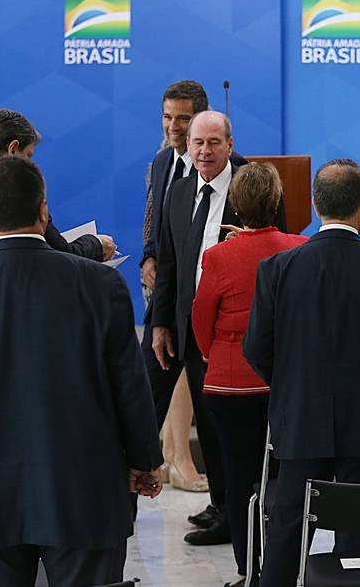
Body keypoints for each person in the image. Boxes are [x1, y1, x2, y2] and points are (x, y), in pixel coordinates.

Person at [0, 156, 163, 585]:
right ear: (44, 210)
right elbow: (129, 385)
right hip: (84, 493)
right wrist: (144, 460)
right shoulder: (101, 285)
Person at [244, 158, 360, 585]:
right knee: (358, 538)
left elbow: (256, 346)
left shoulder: (277, 269)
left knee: (288, 530)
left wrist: (292, 386)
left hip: (300, 421)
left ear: (315, 205)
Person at [151, 111, 285, 546]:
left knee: (237, 434)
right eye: (197, 143)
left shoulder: (254, 186)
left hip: (245, 335)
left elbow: (274, 254)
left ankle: (239, 514)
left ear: (230, 144)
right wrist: (160, 323)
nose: (205, 151)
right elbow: (168, 264)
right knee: (208, 429)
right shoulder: (178, 191)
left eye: (213, 143)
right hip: (193, 332)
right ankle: (223, 505)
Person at [191, 163, 307, 587]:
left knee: (240, 478)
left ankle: (249, 570)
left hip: (229, 382)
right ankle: (284, 568)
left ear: (235, 207)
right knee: (286, 477)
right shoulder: (300, 246)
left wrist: (211, 354)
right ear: (277, 202)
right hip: (286, 382)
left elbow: (201, 320)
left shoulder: (217, 256)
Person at [139, 81, 212, 502]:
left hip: (202, 298)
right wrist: (149, 257)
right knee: (150, 385)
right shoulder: (162, 162)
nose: (173, 126)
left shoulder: (223, 166)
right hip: (161, 294)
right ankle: (149, 465)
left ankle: (183, 460)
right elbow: (155, 218)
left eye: (182, 118)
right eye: (168, 117)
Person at [0, 108, 114, 266]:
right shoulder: (20, 197)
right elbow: (61, 257)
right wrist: (96, 244)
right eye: (28, 155)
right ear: (13, 149)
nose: (30, 164)